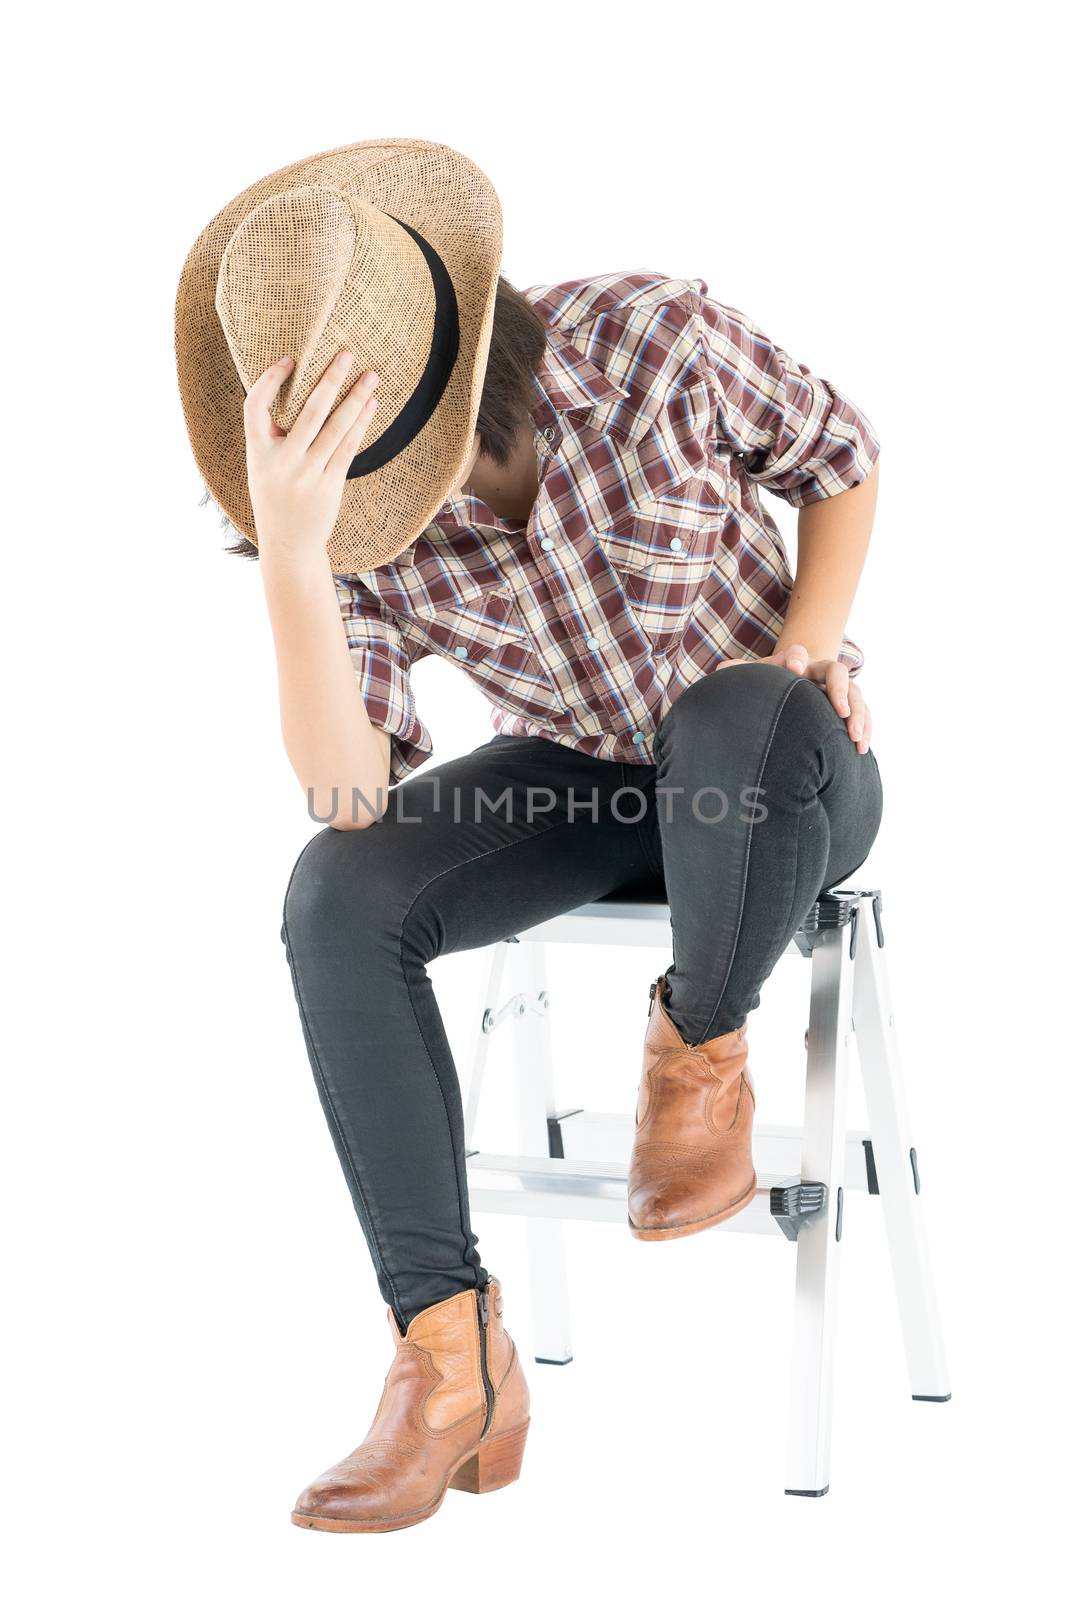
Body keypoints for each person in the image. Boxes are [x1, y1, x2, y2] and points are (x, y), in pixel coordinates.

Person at [175, 139, 882, 1534]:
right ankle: (447, 1359)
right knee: (336, 893)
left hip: (773, 773)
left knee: (733, 717)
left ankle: (700, 1048)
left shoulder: (652, 341)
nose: (405, 495)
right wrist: (303, 558)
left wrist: (807, 650)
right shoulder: (356, 528)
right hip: (584, 787)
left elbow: (843, 460)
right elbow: (344, 791)